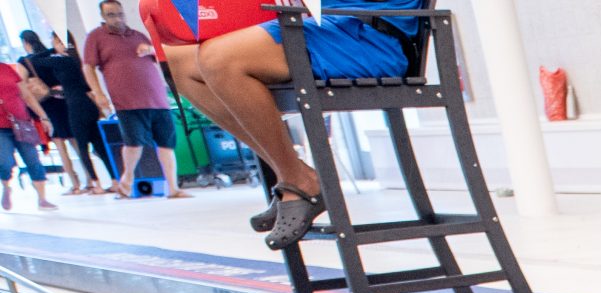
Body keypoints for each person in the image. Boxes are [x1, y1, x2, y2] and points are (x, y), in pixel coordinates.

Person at [185, 0, 422, 246]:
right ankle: (293, 173)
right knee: (179, 61)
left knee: (218, 59)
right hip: (326, 26)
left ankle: (296, 180)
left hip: (372, 38)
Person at [81, 0, 182, 200]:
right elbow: (88, 67)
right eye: (111, 15)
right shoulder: (96, 37)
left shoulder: (138, 36)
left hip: (156, 99)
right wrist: (98, 93)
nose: (117, 18)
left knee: (166, 143)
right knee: (133, 143)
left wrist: (151, 50)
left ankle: (174, 188)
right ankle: (126, 183)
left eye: (119, 13)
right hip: (127, 101)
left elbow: (160, 56)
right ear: (103, 16)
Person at [18, 30, 102, 194]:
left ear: (25, 43)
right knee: (77, 142)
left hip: (49, 106)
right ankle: (90, 180)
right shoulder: (51, 55)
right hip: (65, 101)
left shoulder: (26, 61)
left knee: (60, 145)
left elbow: (22, 86)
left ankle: (75, 184)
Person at [0, 61, 56, 211]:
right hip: (1, 128)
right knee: (5, 162)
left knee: (33, 159)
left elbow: (26, 95)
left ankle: (42, 199)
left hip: (21, 121)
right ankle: (6, 186)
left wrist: (43, 117)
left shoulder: (6, 69)